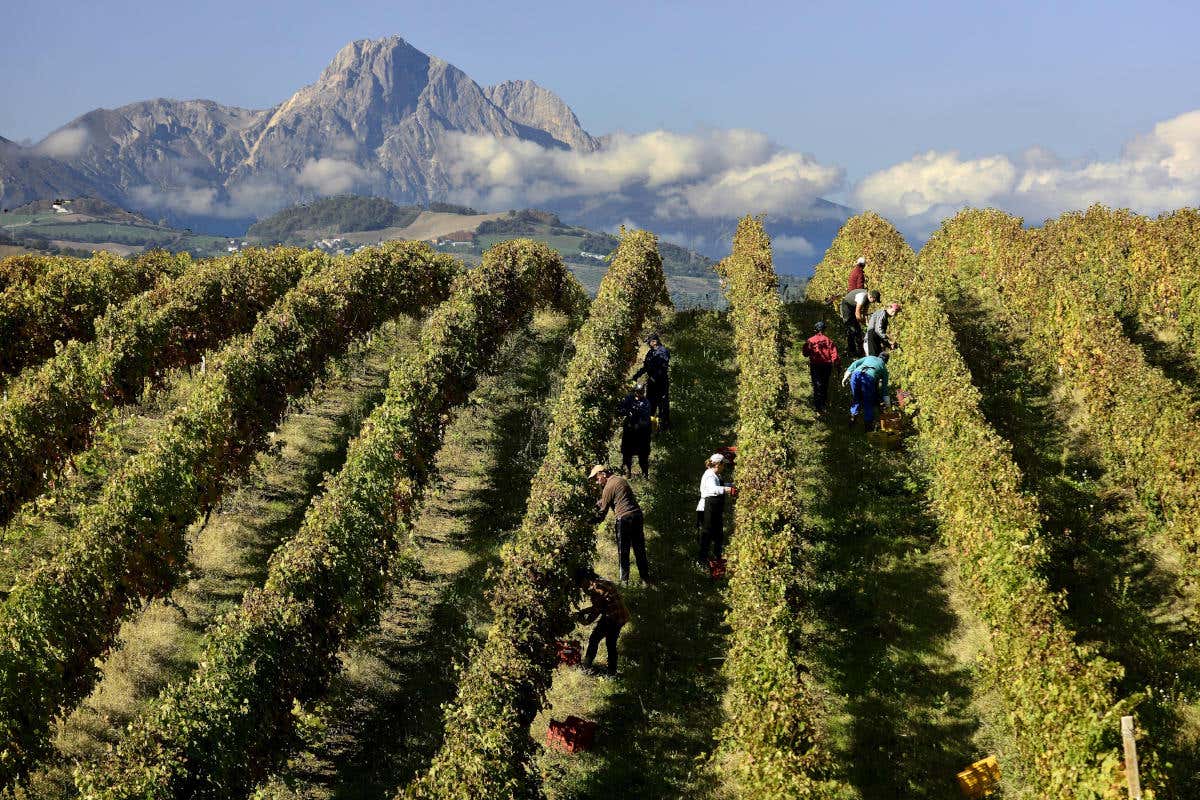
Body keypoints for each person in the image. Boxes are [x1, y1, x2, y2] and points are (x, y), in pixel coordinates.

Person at [590, 465, 651, 583]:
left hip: (624, 519)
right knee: (639, 549)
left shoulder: (608, 487)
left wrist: (589, 522)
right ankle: (646, 579)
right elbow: (613, 498)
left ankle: (624, 582)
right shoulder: (620, 480)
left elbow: (602, 513)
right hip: (637, 515)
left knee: (623, 552)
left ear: (603, 474)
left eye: (597, 479)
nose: (597, 482)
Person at [574, 567, 630, 675]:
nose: (581, 587)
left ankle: (587, 666)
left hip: (612, 617)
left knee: (595, 638)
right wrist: (584, 611)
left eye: (581, 584)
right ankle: (612, 671)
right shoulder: (602, 581)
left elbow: (595, 612)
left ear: (585, 579)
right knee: (611, 642)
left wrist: (582, 620)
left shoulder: (596, 590)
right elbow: (602, 605)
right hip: (621, 615)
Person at [696, 453, 735, 565]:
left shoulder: (716, 475)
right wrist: (728, 490)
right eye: (723, 465)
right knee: (707, 534)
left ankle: (717, 558)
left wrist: (732, 485)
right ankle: (702, 560)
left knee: (718, 534)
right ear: (718, 464)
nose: (724, 467)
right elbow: (713, 489)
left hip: (714, 508)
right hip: (706, 508)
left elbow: (720, 484)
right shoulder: (709, 475)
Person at [842, 352, 891, 431]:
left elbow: (855, 363)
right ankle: (868, 427)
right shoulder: (884, 369)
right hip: (868, 378)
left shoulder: (870, 357)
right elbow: (884, 389)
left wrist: (846, 376)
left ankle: (852, 419)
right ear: (886, 361)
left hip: (855, 375)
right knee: (868, 402)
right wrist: (888, 405)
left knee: (856, 398)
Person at [632, 333, 671, 432]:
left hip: (661, 382)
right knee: (650, 404)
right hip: (652, 383)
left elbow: (663, 367)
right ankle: (650, 427)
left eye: (649, 342)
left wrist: (654, 377)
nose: (649, 344)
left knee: (662, 405)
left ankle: (664, 428)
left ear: (654, 341)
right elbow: (646, 367)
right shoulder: (650, 353)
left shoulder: (663, 351)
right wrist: (636, 376)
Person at [801, 321, 839, 413]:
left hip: (815, 365)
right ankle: (823, 404)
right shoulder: (828, 340)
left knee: (817, 384)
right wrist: (837, 365)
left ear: (815, 329)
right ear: (824, 329)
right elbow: (835, 355)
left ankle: (817, 405)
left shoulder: (810, 340)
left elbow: (805, 353)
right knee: (824, 384)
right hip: (827, 365)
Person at [618, 384, 653, 477]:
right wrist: (626, 411)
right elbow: (621, 407)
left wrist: (637, 420)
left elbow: (645, 419)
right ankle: (628, 471)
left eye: (641, 393)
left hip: (641, 433)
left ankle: (645, 474)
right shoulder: (629, 398)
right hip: (629, 431)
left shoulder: (646, 403)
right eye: (638, 392)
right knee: (626, 452)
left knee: (643, 455)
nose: (639, 394)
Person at [839, 289, 880, 360]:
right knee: (851, 328)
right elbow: (857, 313)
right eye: (874, 300)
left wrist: (867, 322)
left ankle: (860, 351)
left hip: (853, 306)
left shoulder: (868, 299)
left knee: (857, 330)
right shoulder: (862, 297)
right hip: (846, 306)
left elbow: (864, 312)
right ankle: (851, 351)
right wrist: (862, 323)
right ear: (871, 297)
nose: (874, 302)